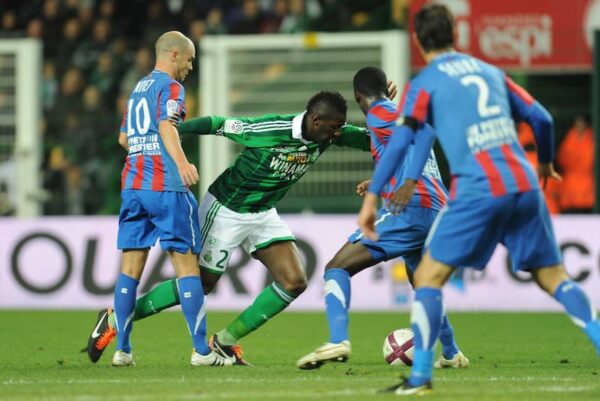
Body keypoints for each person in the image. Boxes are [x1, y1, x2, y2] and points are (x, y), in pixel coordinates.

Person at [357, 4, 600, 395]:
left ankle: (420, 377)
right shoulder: (490, 71)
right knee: (555, 278)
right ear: (455, 31)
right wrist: (547, 162)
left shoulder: (426, 81)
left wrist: (372, 197)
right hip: (523, 181)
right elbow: (542, 119)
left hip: (479, 186)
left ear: (417, 40)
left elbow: (403, 138)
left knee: (430, 277)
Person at [86, 89, 383, 365]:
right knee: (201, 284)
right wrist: (170, 132)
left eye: (340, 127)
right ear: (315, 120)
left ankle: (223, 342)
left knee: (294, 281)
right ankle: (114, 319)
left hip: (263, 212)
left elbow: (379, 139)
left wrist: (386, 109)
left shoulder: (329, 134)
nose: (337, 132)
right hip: (226, 208)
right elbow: (217, 124)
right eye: (333, 126)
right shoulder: (270, 129)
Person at [296, 67, 468, 370]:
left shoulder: (380, 113)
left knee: (337, 268)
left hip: (413, 208)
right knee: (423, 282)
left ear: (357, 96)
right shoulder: (391, 113)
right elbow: (404, 150)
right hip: (436, 208)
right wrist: (380, 183)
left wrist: (409, 183)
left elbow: (426, 132)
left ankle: (338, 339)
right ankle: (452, 354)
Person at [105, 31, 231, 367]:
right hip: (167, 188)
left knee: (129, 271)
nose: (192, 66)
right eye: (189, 59)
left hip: (133, 186)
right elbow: (166, 127)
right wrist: (181, 162)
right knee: (187, 268)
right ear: (174, 55)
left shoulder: (136, 90)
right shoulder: (172, 88)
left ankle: (123, 350)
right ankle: (202, 351)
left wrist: (144, 157)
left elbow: (123, 138)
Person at [557, 114, 595, 213]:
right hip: (570, 188)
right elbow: (563, 160)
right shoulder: (568, 140)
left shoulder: (591, 140)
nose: (579, 126)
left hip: (587, 187)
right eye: (577, 123)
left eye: (582, 123)